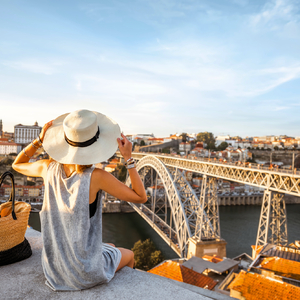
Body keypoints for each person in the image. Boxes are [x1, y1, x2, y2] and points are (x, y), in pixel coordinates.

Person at [12, 109, 147, 291]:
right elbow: (141, 197)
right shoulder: (97, 176)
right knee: (129, 254)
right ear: (95, 145)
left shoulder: (47, 168)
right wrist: (128, 159)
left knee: (111, 246)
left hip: (54, 268)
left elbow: (17, 164)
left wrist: (39, 141)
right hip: (84, 273)